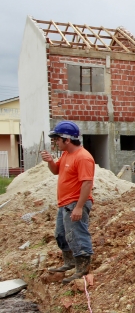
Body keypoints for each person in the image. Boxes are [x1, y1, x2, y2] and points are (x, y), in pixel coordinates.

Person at [40, 121, 95, 284]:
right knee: (61, 235)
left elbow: (87, 183)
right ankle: (70, 262)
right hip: (64, 203)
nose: (56, 142)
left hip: (75, 203)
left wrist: (78, 207)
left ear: (67, 139)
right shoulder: (66, 155)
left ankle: (82, 267)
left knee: (77, 234)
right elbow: (56, 171)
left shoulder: (83, 157)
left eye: (57, 139)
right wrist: (50, 161)